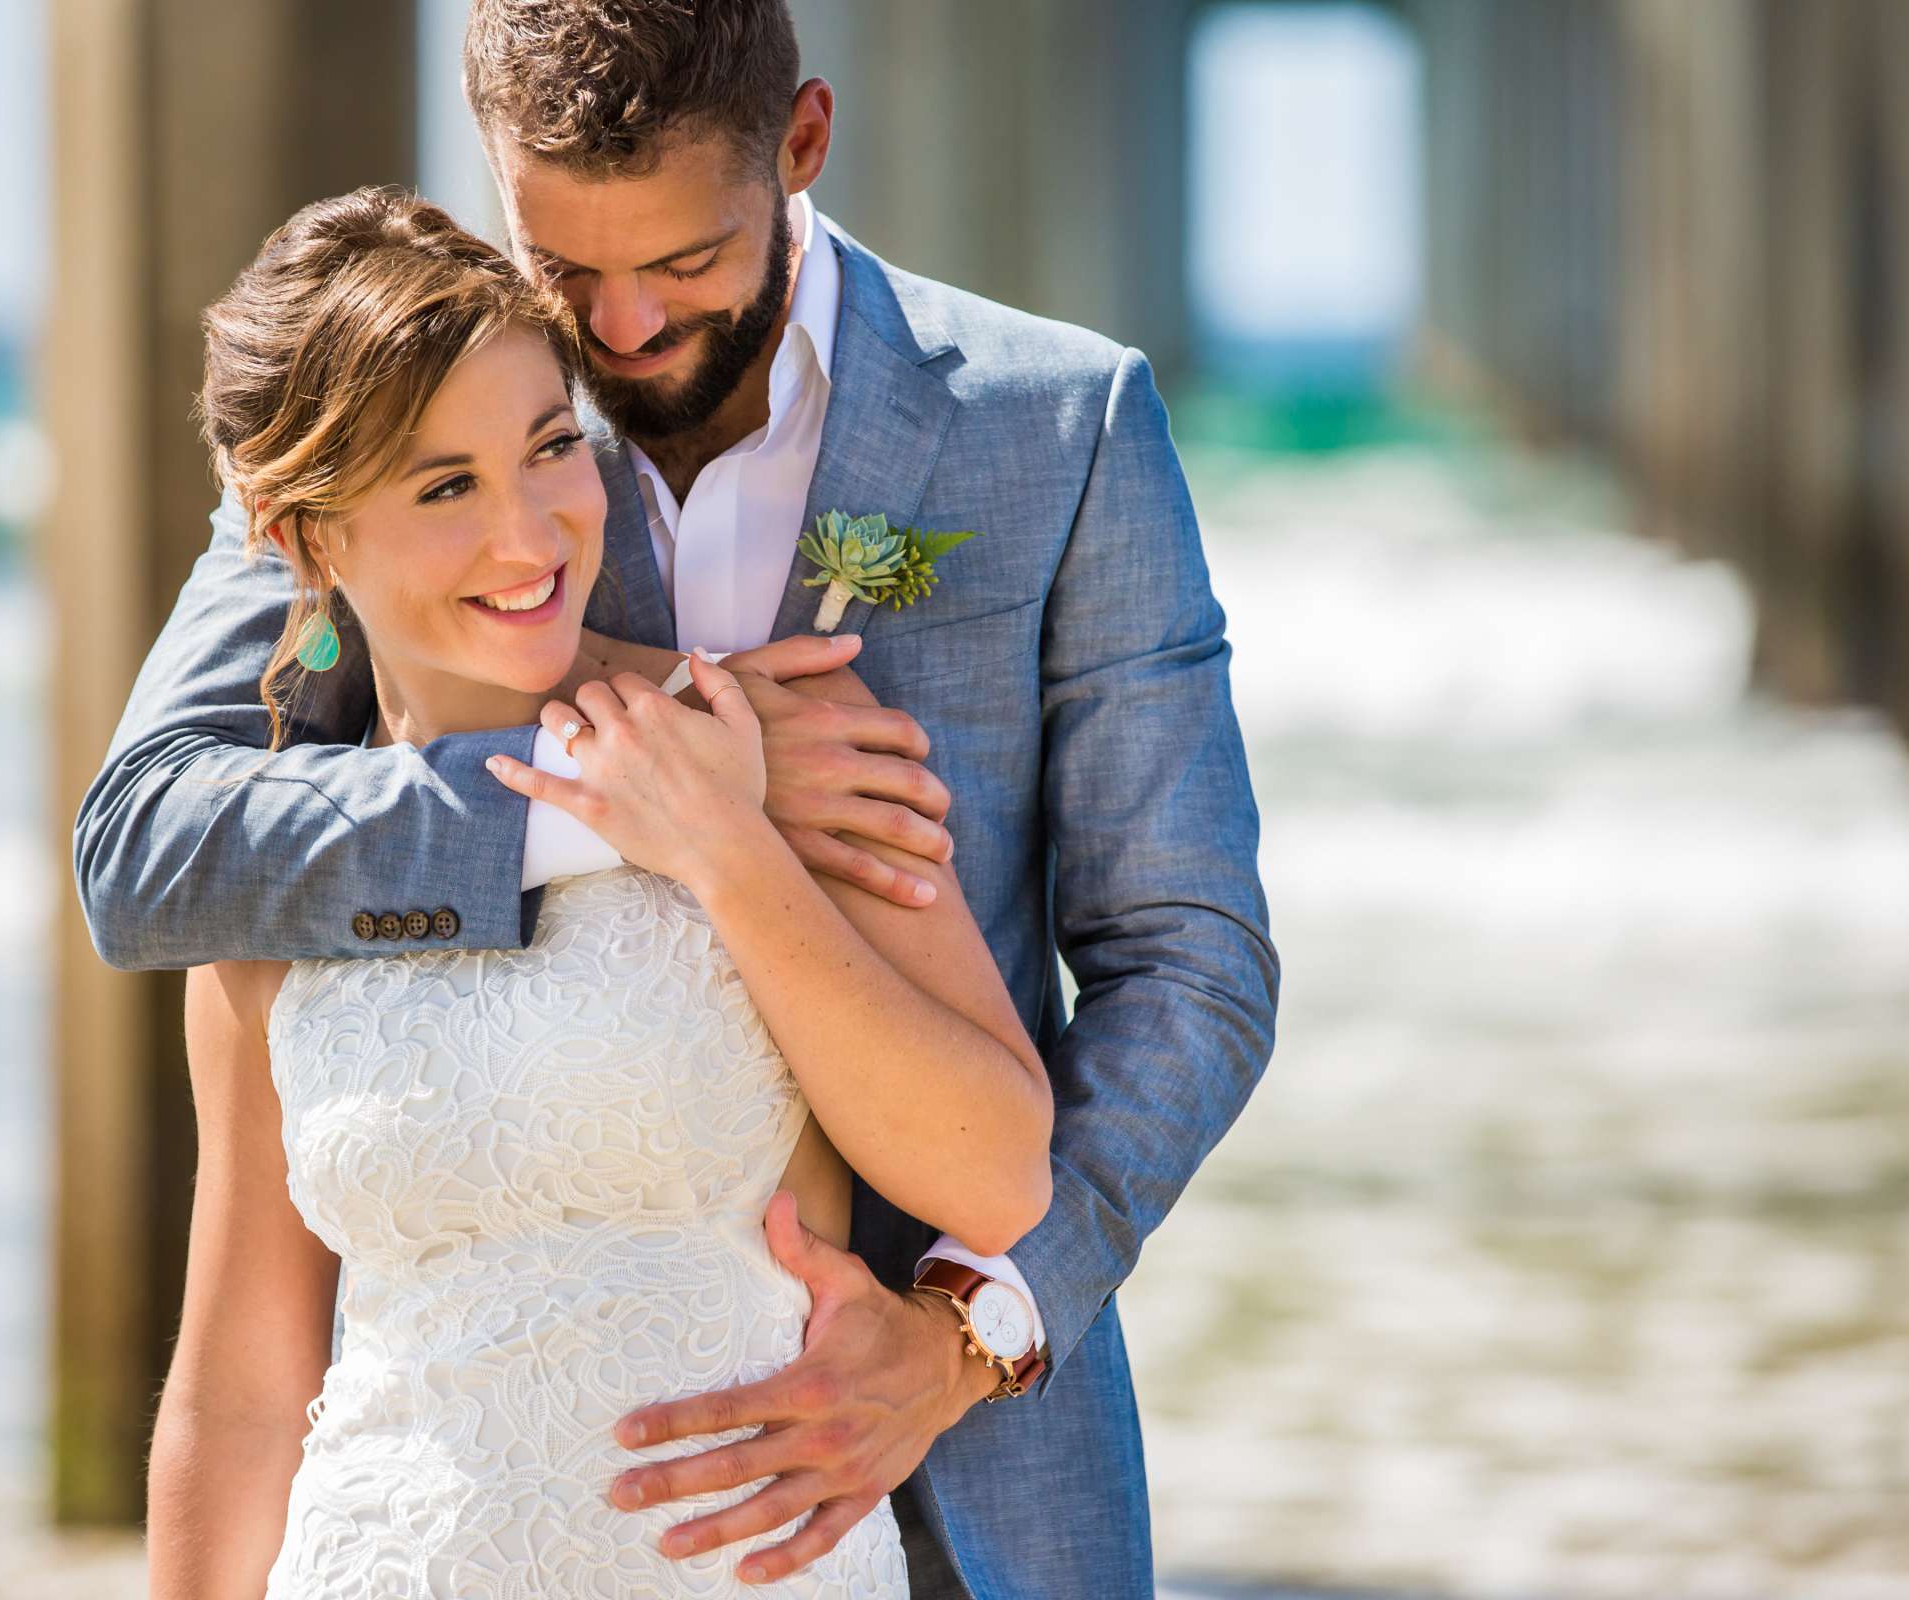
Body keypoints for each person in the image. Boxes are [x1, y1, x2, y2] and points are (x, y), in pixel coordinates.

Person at [77, 3, 1280, 1595]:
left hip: (960, 1476)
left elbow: (1192, 969)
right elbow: (152, 844)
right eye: (567, 267)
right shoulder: (416, 412)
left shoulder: (1057, 427)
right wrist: (649, 762)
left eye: (686, 264)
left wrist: (969, 1332)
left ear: (800, 147)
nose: (623, 327)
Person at [152, 187, 1056, 1595]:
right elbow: (244, 1389)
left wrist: (727, 847)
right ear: (305, 541)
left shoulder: (781, 771)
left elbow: (994, 1171)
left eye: (551, 447)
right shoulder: (279, 883)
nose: (533, 534)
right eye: (445, 486)